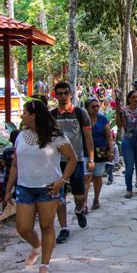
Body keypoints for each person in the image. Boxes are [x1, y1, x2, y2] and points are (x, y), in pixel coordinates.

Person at [4, 100, 77, 273]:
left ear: (34, 116)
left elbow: (72, 159)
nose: (22, 116)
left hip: (48, 188)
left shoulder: (56, 136)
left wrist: (62, 181)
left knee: (46, 226)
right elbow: (15, 165)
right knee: (23, 228)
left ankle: (44, 264)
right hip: (25, 188)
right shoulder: (21, 136)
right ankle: (37, 246)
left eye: (25, 113)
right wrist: (8, 190)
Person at [50, 82, 95, 244]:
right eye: (59, 93)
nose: (63, 96)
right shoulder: (51, 115)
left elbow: (88, 139)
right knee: (59, 196)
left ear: (70, 94)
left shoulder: (80, 113)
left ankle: (78, 210)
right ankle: (64, 228)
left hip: (76, 160)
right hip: (57, 162)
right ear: (55, 95)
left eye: (65, 93)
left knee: (79, 195)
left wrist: (91, 158)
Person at [115, 90, 137, 198]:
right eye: (133, 97)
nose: (136, 99)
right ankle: (129, 189)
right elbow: (119, 125)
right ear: (129, 99)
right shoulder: (123, 110)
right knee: (129, 167)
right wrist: (117, 111)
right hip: (128, 141)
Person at [83, 99, 114, 212]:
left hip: (101, 149)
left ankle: (96, 199)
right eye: (93, 106)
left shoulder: (102, 119)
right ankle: (84, 203)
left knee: (98, 176)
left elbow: (109, 136)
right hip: (85, 151)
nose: (96, 108)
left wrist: (111, 150)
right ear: (87, 108)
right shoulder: (83, 119)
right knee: (86, 177)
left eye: (97, 106)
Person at [1, 130, 20, 211]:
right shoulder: (21, 151)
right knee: (18, 195)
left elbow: (3, 164)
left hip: (8, 176)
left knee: (6, 194)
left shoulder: (7, 151)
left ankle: (4, 211)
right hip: (20, 177)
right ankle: (18, 211)